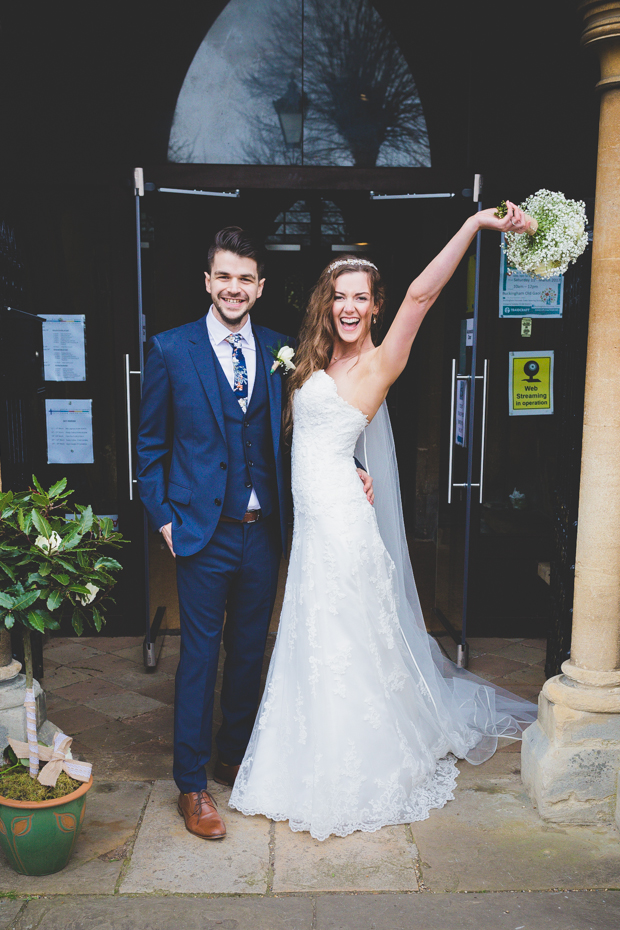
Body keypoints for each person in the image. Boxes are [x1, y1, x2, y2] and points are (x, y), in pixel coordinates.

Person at [229, 202, 538, 841]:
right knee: (311, 633)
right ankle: (305, 756)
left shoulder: (382, 361)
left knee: (349, 638)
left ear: (375, 306)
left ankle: (358, 766)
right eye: (338, 296)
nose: (348, 307)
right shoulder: (312, 361)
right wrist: (353, 464)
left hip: (343, 524)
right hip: (314, 522)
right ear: (328, 302)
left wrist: (477, 225)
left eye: (360, 298)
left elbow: (425, 293)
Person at [136, 227, 373, 841]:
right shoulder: (169, 349)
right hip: (201, 534)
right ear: (207, 281)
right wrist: (164, 518)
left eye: (246, 278)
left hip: (264, 530)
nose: (234, 288)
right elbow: (149, 450)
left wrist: (350, 465)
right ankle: (192, 786)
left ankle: (232, 757)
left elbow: (308, 429)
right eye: (224, 276)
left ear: (260, 287)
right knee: (200, 657)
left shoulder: (279, 350)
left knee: (249, 653)